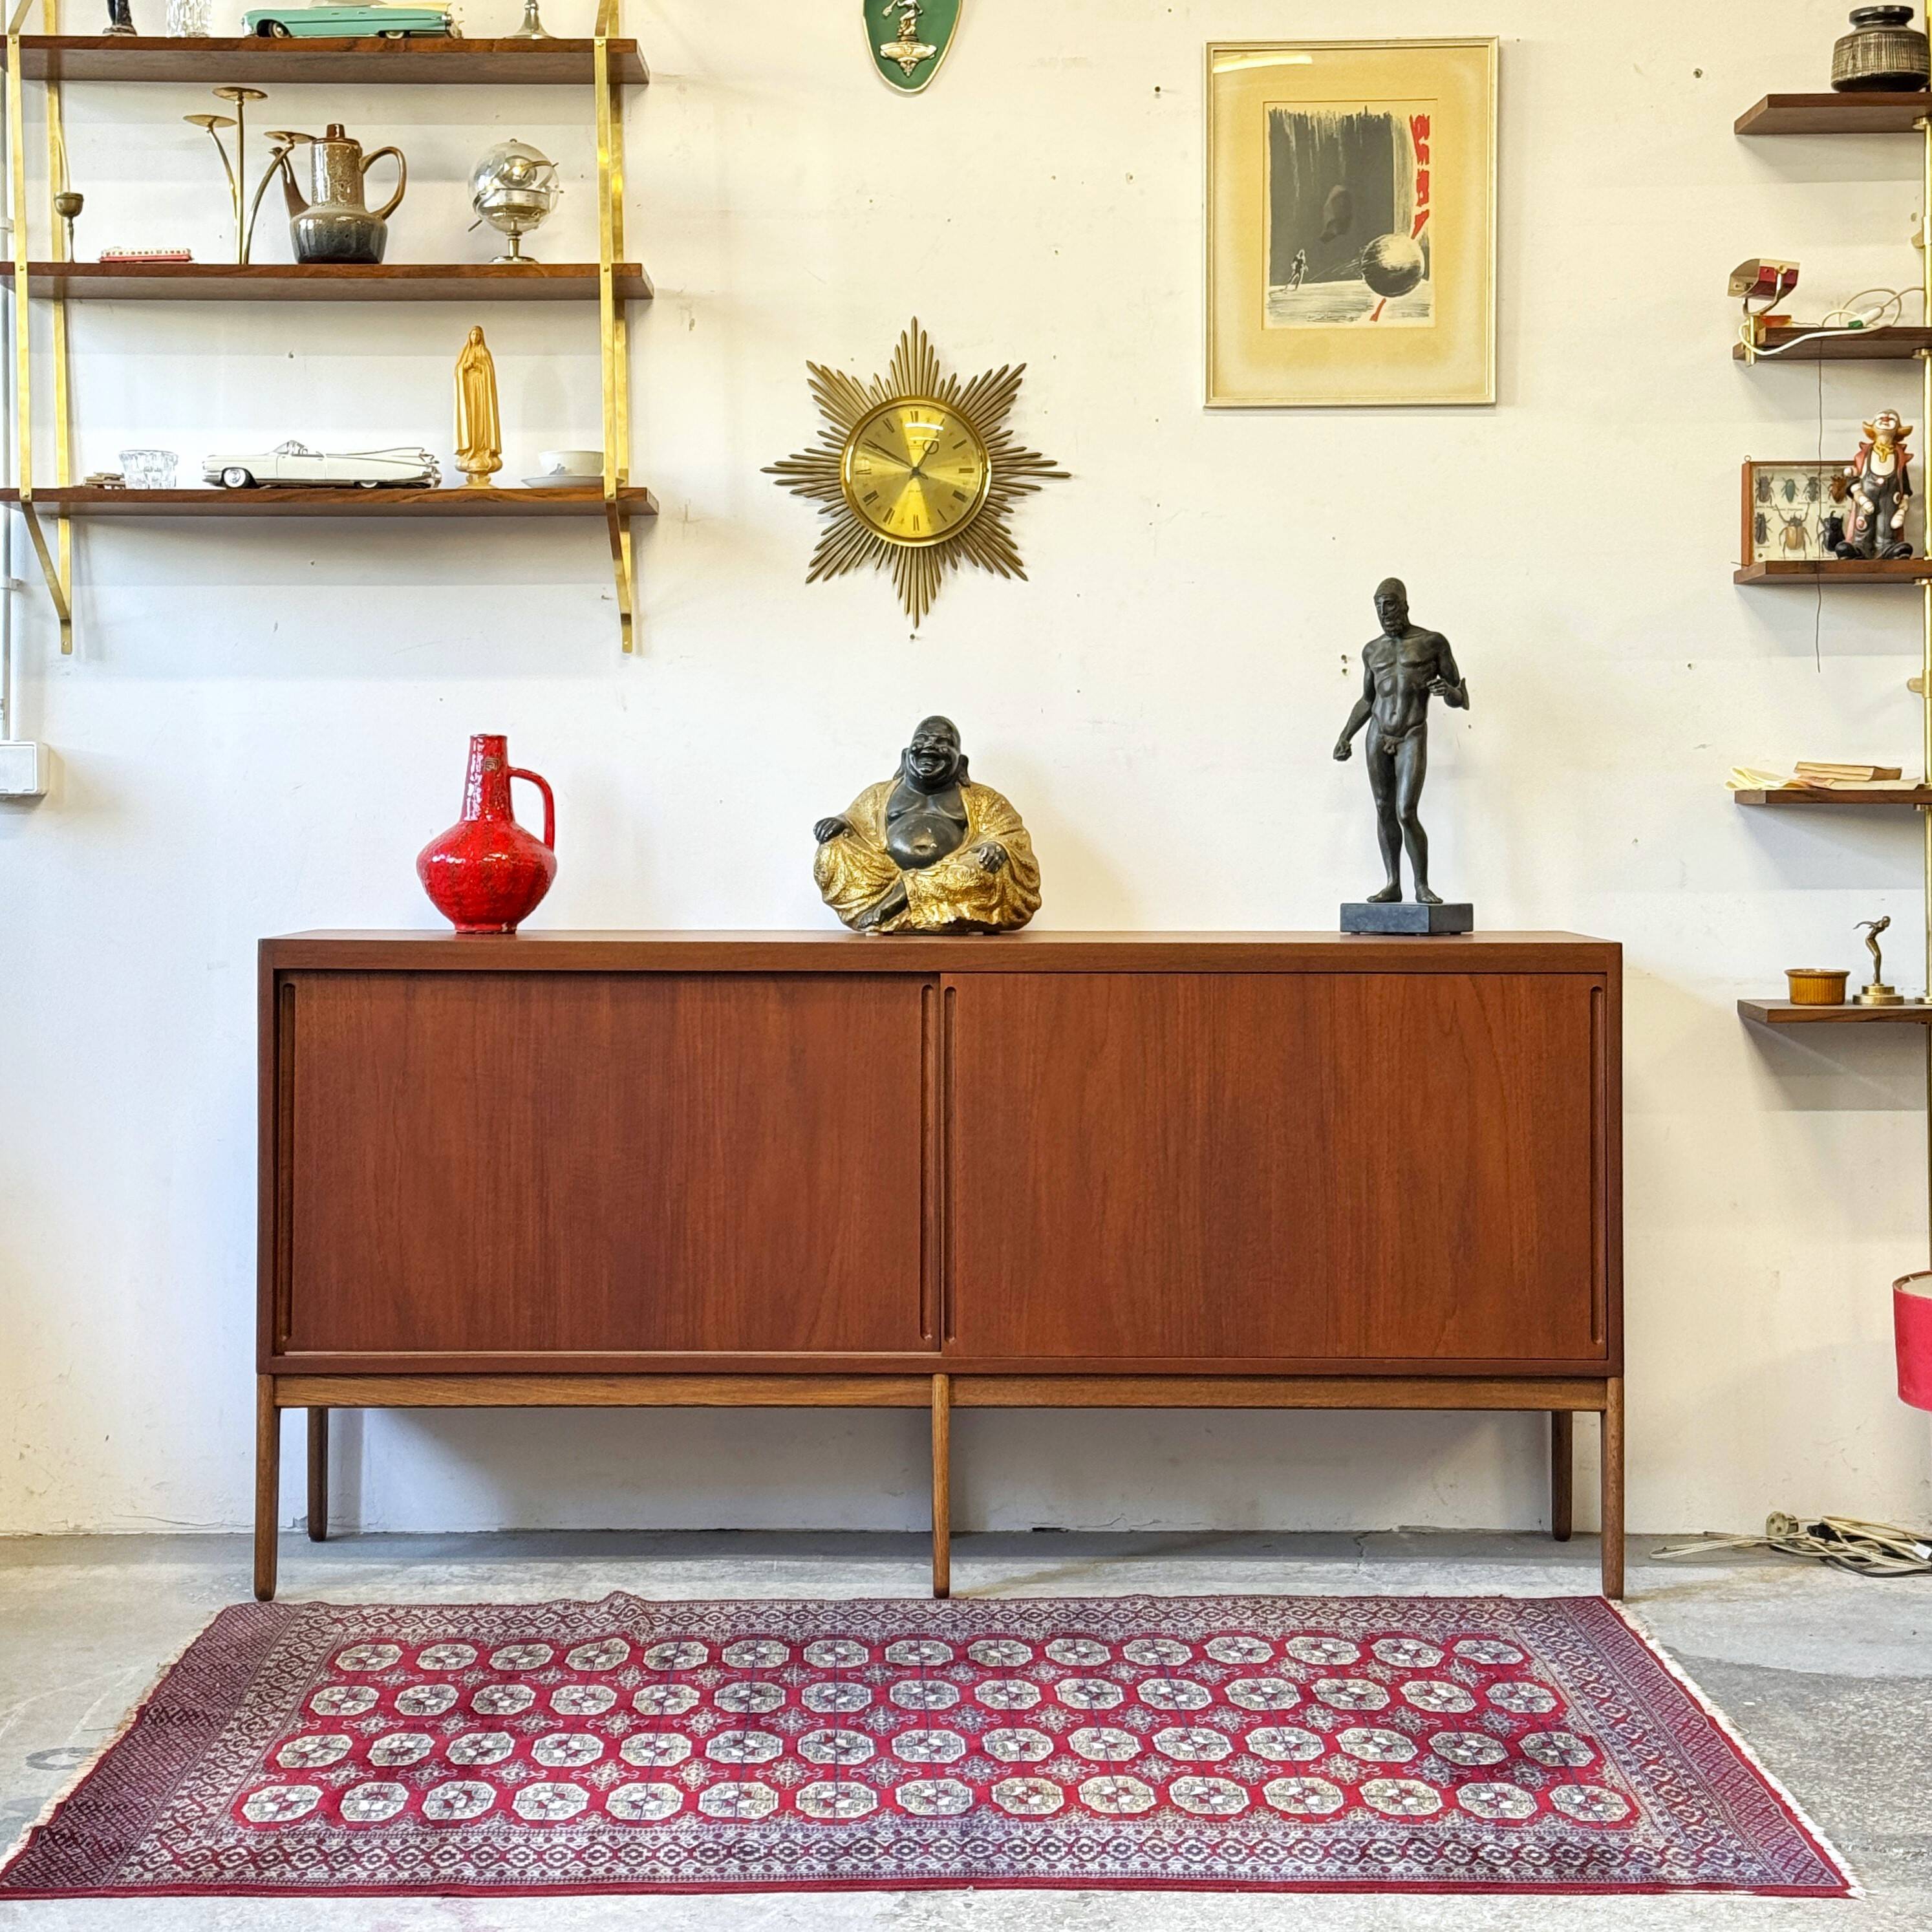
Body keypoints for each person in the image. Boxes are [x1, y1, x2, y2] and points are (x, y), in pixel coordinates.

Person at [814, 716, 1040, 933]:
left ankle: (900, 899)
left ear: (961, 762)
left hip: (951, 876)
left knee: (985, 871)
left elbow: (1011, 836)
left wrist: (998, 847)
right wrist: (839, 822)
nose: (929, 747)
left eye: (943, 743)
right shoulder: (878, 794)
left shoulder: (984, 799)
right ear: (905, 756)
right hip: (883, 876)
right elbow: (856, 823)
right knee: (831, 851)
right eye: (921, 739)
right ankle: (896, 897)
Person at [1333, 579, 1468, 905]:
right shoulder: (1372, 650)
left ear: (1405, 603)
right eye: (1378, 606)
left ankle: (1421, 885)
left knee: (1406, 810)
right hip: (1377, 734)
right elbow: (1367, 700)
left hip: (1411, 732)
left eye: (1390, 604)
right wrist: (1345, 735)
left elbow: (1460, 696)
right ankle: (1393, 883)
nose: (1384, 612)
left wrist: (1447, 692)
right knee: (1383, 809)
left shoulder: (1432, 643)